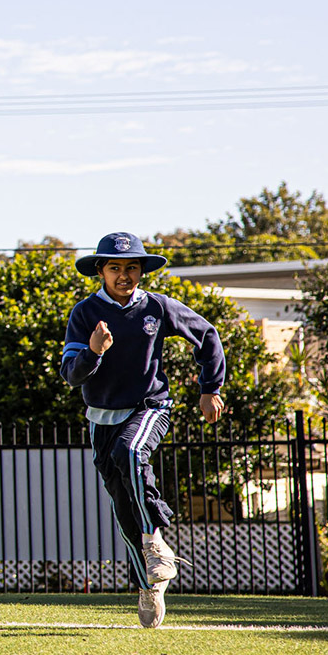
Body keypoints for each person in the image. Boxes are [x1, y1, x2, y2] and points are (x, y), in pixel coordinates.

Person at [61, 232, 224, 629]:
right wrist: (93, 351)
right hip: (101, 417)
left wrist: (210, 389)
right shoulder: (84, 314)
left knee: (132, 453)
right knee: (122, 503)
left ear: (141, 270)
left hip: (150, 406)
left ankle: (155, 542)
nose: (124, 275)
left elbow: (206, 335)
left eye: (131, 267)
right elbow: (70, 374)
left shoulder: (158, 307)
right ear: (100, 271)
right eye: (115, 268)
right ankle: (148, 583)